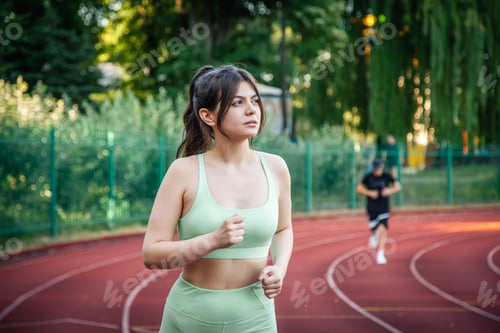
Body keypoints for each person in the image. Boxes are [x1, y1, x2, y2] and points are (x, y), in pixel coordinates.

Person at [142, 64, 294, 333]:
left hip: (257, 319)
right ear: (208, 115)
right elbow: (152, 254)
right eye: (238, 102)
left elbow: (283, 229)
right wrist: (212, 241)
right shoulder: (183, 172)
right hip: (188, 319)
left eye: (255, 101)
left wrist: (279, 268)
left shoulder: (276, 168)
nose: (252, 110)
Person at [356, 158, 401, 265]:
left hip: (383, 207)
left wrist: (390, 190)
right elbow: (359, 188)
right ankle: (373, 235)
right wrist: (369, 192)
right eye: (375, 169)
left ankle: (380, 254)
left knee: (383, 229)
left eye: (379, 168)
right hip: (372, 207)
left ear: (381, 167)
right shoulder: (368, 177)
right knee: (374, 229)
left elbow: (398, 187)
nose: (377, 170)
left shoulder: (387, 176)